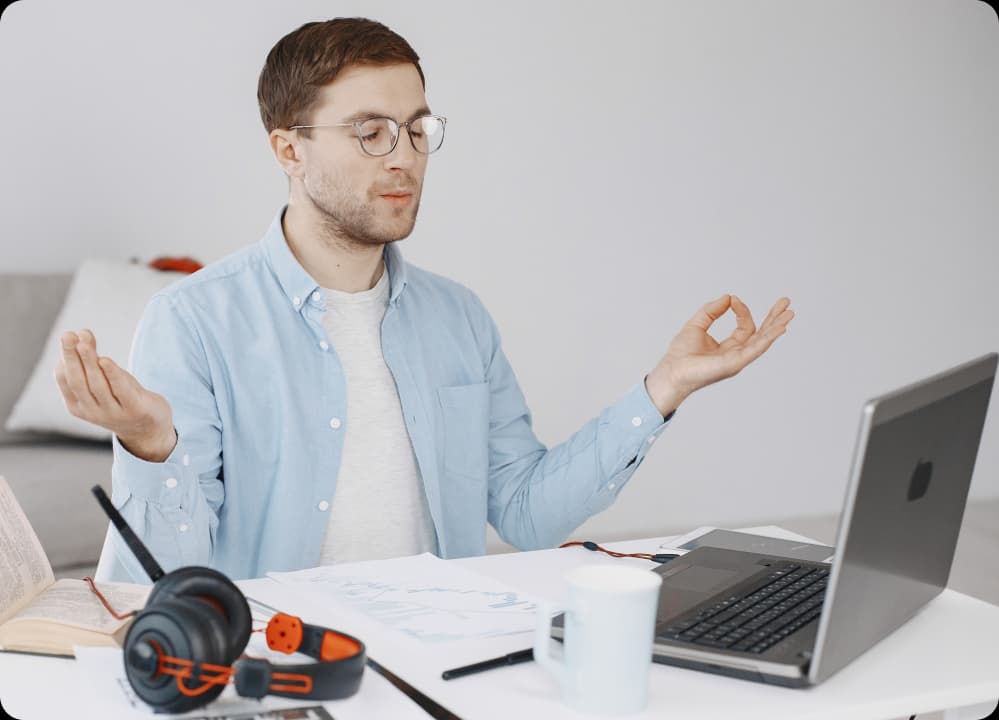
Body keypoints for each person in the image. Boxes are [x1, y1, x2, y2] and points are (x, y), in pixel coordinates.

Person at [55, 18, 794, 583]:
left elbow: (527, 513)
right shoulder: (194, 323)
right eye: (369, 132)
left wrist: (661, 389)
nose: (404, 154)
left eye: (415, 129)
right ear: (289, 150)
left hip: (435, 662)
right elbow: (168, 584)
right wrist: (154, 449)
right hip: (280, 681)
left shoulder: (457, 317)